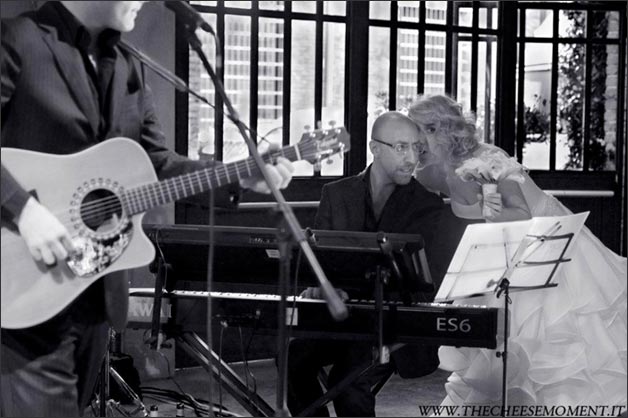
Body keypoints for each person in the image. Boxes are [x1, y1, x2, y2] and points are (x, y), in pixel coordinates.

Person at [0, 2, 294, 416]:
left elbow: (159, 165)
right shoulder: (17, 40)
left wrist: (241, 175)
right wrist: (25, 212)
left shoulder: (126, 67)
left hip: (95, 293)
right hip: (20, 290)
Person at [408, 94, 627, 409]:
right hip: (499, 247)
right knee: (503, 348)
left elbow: (523, 214)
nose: (416, 145)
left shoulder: (485, 159)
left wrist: (487, 206)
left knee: (551, 341)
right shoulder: (435, 167)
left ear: (440, 130)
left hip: (541, 240)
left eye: (419, 134)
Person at [287, 111, 456, 416]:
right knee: (292, 357)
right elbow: (319, 262)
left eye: (416, 147)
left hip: (393, 325)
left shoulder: (427, 204)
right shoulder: (336, 194)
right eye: (401, 147)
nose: (412, 158)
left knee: (349, 379)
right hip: (339, 320)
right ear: (375, 148)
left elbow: (426, 282)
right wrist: (322, 287)